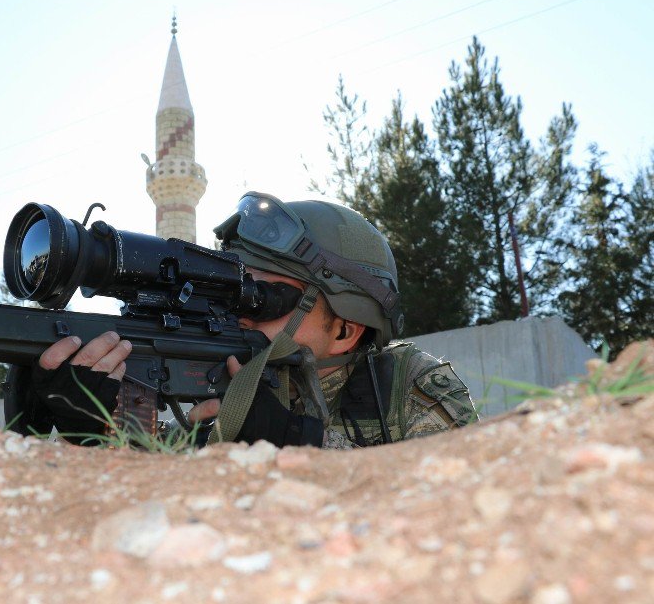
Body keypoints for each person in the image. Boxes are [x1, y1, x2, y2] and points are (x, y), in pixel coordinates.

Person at [25, 192, 479, 448]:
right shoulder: (220, 380)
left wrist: (301, 446)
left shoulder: (410, 388)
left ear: (343, 330)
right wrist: (89, 427)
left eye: (264, 298)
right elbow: (155, 506)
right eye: (237, 287)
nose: (239, 311)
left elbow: (454, 505)